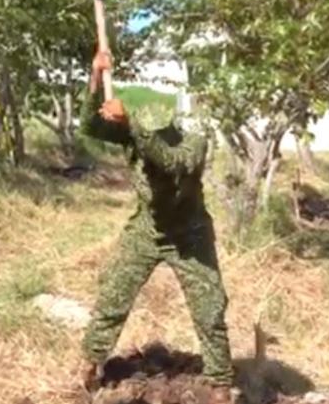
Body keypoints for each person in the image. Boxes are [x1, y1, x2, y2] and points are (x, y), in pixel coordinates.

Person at [78, 51, 235, 403]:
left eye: (149, 130)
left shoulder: (193, 140)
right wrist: (95, 78)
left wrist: (131, 123)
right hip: (147, 230)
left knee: (209, 310)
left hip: (190, 234)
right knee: (112, 298)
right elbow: (89, 125)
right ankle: (89, 365)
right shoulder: (134, 134)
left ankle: (220, 385)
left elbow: (171, 161)